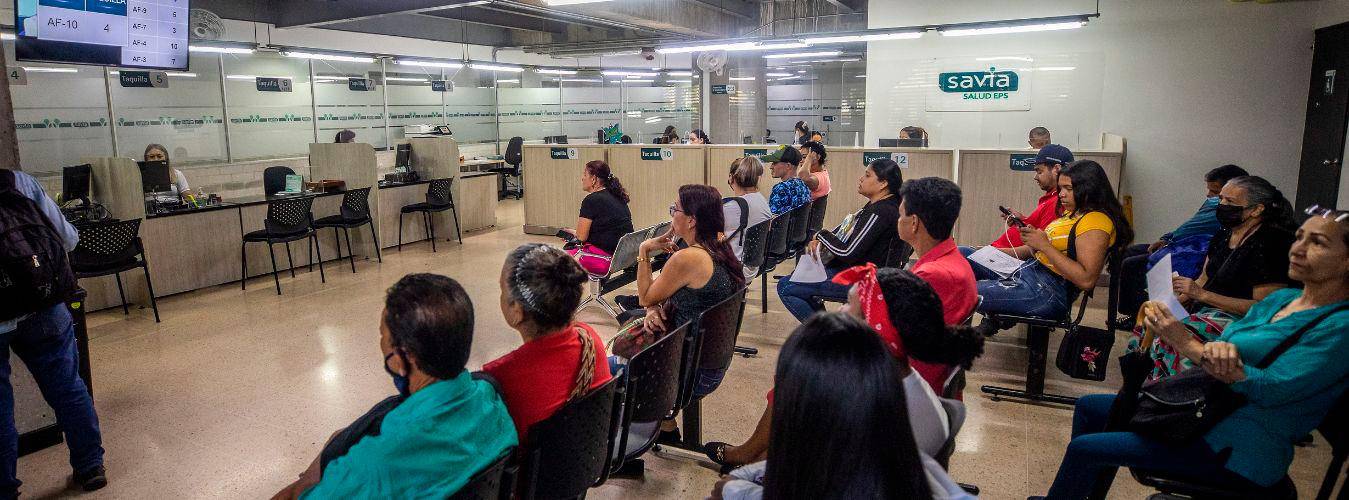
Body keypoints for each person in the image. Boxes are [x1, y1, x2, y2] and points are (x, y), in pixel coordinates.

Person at [1033, 208, 1349, 500]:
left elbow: (1273, 389)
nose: (1298, 249)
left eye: (1317, 243)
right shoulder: (1283, 300)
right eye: (1300, 237)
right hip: (1207, 408)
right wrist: (1215, 346)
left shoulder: (1340, 327)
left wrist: (1188, 343)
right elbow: (1231, 340)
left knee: (1086, 449)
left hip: (1238, 445)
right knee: (1089, 408)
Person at [275, 274, 516, 499]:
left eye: (383, 336)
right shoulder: (492, 399)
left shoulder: (374, 465)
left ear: (402, 358)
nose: (381, 344)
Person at [710, 309, 979, 499]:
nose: (841, 309)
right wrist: (741, 483)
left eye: (852, 306)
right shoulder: (901, 454)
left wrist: (735, 491)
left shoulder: (834, 474)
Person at [1125, 175, 1297, 381]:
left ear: (1256, 209)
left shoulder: (1272, 244)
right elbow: (1203, 280)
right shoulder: (1223, 235)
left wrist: (1202, 295)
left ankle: (1165, 390)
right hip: (1207, 309)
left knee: (1173, 335)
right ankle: (1137, 385)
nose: (1221, 205)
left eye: (1230, 201)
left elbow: (1265, 307)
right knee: (1151, 320)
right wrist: (1174, 302)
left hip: (1242, 320)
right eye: (1221, 198)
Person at [0, 169, 106, 495]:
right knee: (67, 387)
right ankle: (90, 467)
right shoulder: (18, 181)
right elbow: (68, 238)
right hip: (41, 301)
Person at [617, 184, 745, 444]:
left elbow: (645, 296)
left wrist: (644, 250)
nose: (671, 214)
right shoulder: (719, 248)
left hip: (688, 369)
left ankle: (640, 430)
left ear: (691, 220)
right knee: (633, 317)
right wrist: (653, 309)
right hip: (710, 360)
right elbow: (656, 301)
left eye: (674, 209)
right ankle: (665, 425)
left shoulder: (688, 258)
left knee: (612, 364)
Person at [483, 244, 612, 442]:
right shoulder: (589, 338)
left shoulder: (499, 377)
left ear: (517, 310)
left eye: (502, 290)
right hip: (591, 454)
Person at [975, 160, 1134, 320]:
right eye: (1060, 188)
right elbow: (1050, 253)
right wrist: (1033, 245)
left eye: (1068, 189)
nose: (1061, 194)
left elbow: (1086, 280)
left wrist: (1044, 246)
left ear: (1089, 188)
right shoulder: (1074, 213)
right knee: (967, 255)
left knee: (963, 291)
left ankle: (970, 332)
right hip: (1030, 272)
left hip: (1046, 290)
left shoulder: (1095, 222)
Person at [777, 158, 904, 322]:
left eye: (867, 175)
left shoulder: (881, 212)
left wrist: (821, 235)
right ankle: (828, 327)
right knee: (797, 278)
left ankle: (829, 332)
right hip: (861, 272)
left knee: (787, 286)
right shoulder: (883, 206)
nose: (861, 179)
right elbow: (847, 234)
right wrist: (823, 238)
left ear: (883, 184)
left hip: (865, 281)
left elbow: (847, 252)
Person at [1118, 164, 1250, 316]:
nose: (1208, 195)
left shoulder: (1230, 219)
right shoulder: (1214, 207)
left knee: (1132, 264)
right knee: (1130, 252)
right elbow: (1191, 226)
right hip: (1185, 244)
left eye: (1215, 192)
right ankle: (1139, 314)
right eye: (1219, 197)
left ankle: (1138, 315)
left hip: (1194, 252)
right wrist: (1167, 238)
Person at [896, 177, 979, 392]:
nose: (898, 220)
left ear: (914, 223)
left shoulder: (933, 275)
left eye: (901, 215)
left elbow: (900, 341)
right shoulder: (951, 259)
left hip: (914, 389)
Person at [962, 144, 1073, 260]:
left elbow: (1038, 247)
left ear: (1056, 169)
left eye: (1039, 172)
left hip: (1008, 261)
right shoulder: (1050, 198)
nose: (1035, 177)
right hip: (999, 255)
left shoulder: (1057, 203)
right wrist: (1021, 220)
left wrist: (990, 253)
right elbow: (1036, 231)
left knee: (962, 253)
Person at [562, 160, 634, 275]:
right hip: (623, 256)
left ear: (594, 179)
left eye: (584, 174)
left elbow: (581, 237)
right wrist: (576, 233)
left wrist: (576, 234)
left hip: (604, 259)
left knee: (557, 260)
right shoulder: (617, 195)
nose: (582, 178)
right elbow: (607, 229)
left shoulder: (591, 200)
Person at [722, 156, 773, 278]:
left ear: (731, 177)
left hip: (733, 268)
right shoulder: (762, 201)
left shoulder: (732, 207)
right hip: (753, 266)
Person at [761, 145, 811, 215]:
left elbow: (773, 219)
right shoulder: (803, 185)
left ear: (788, 166)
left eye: (775, 163)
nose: (771, 167)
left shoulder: (781, 188)